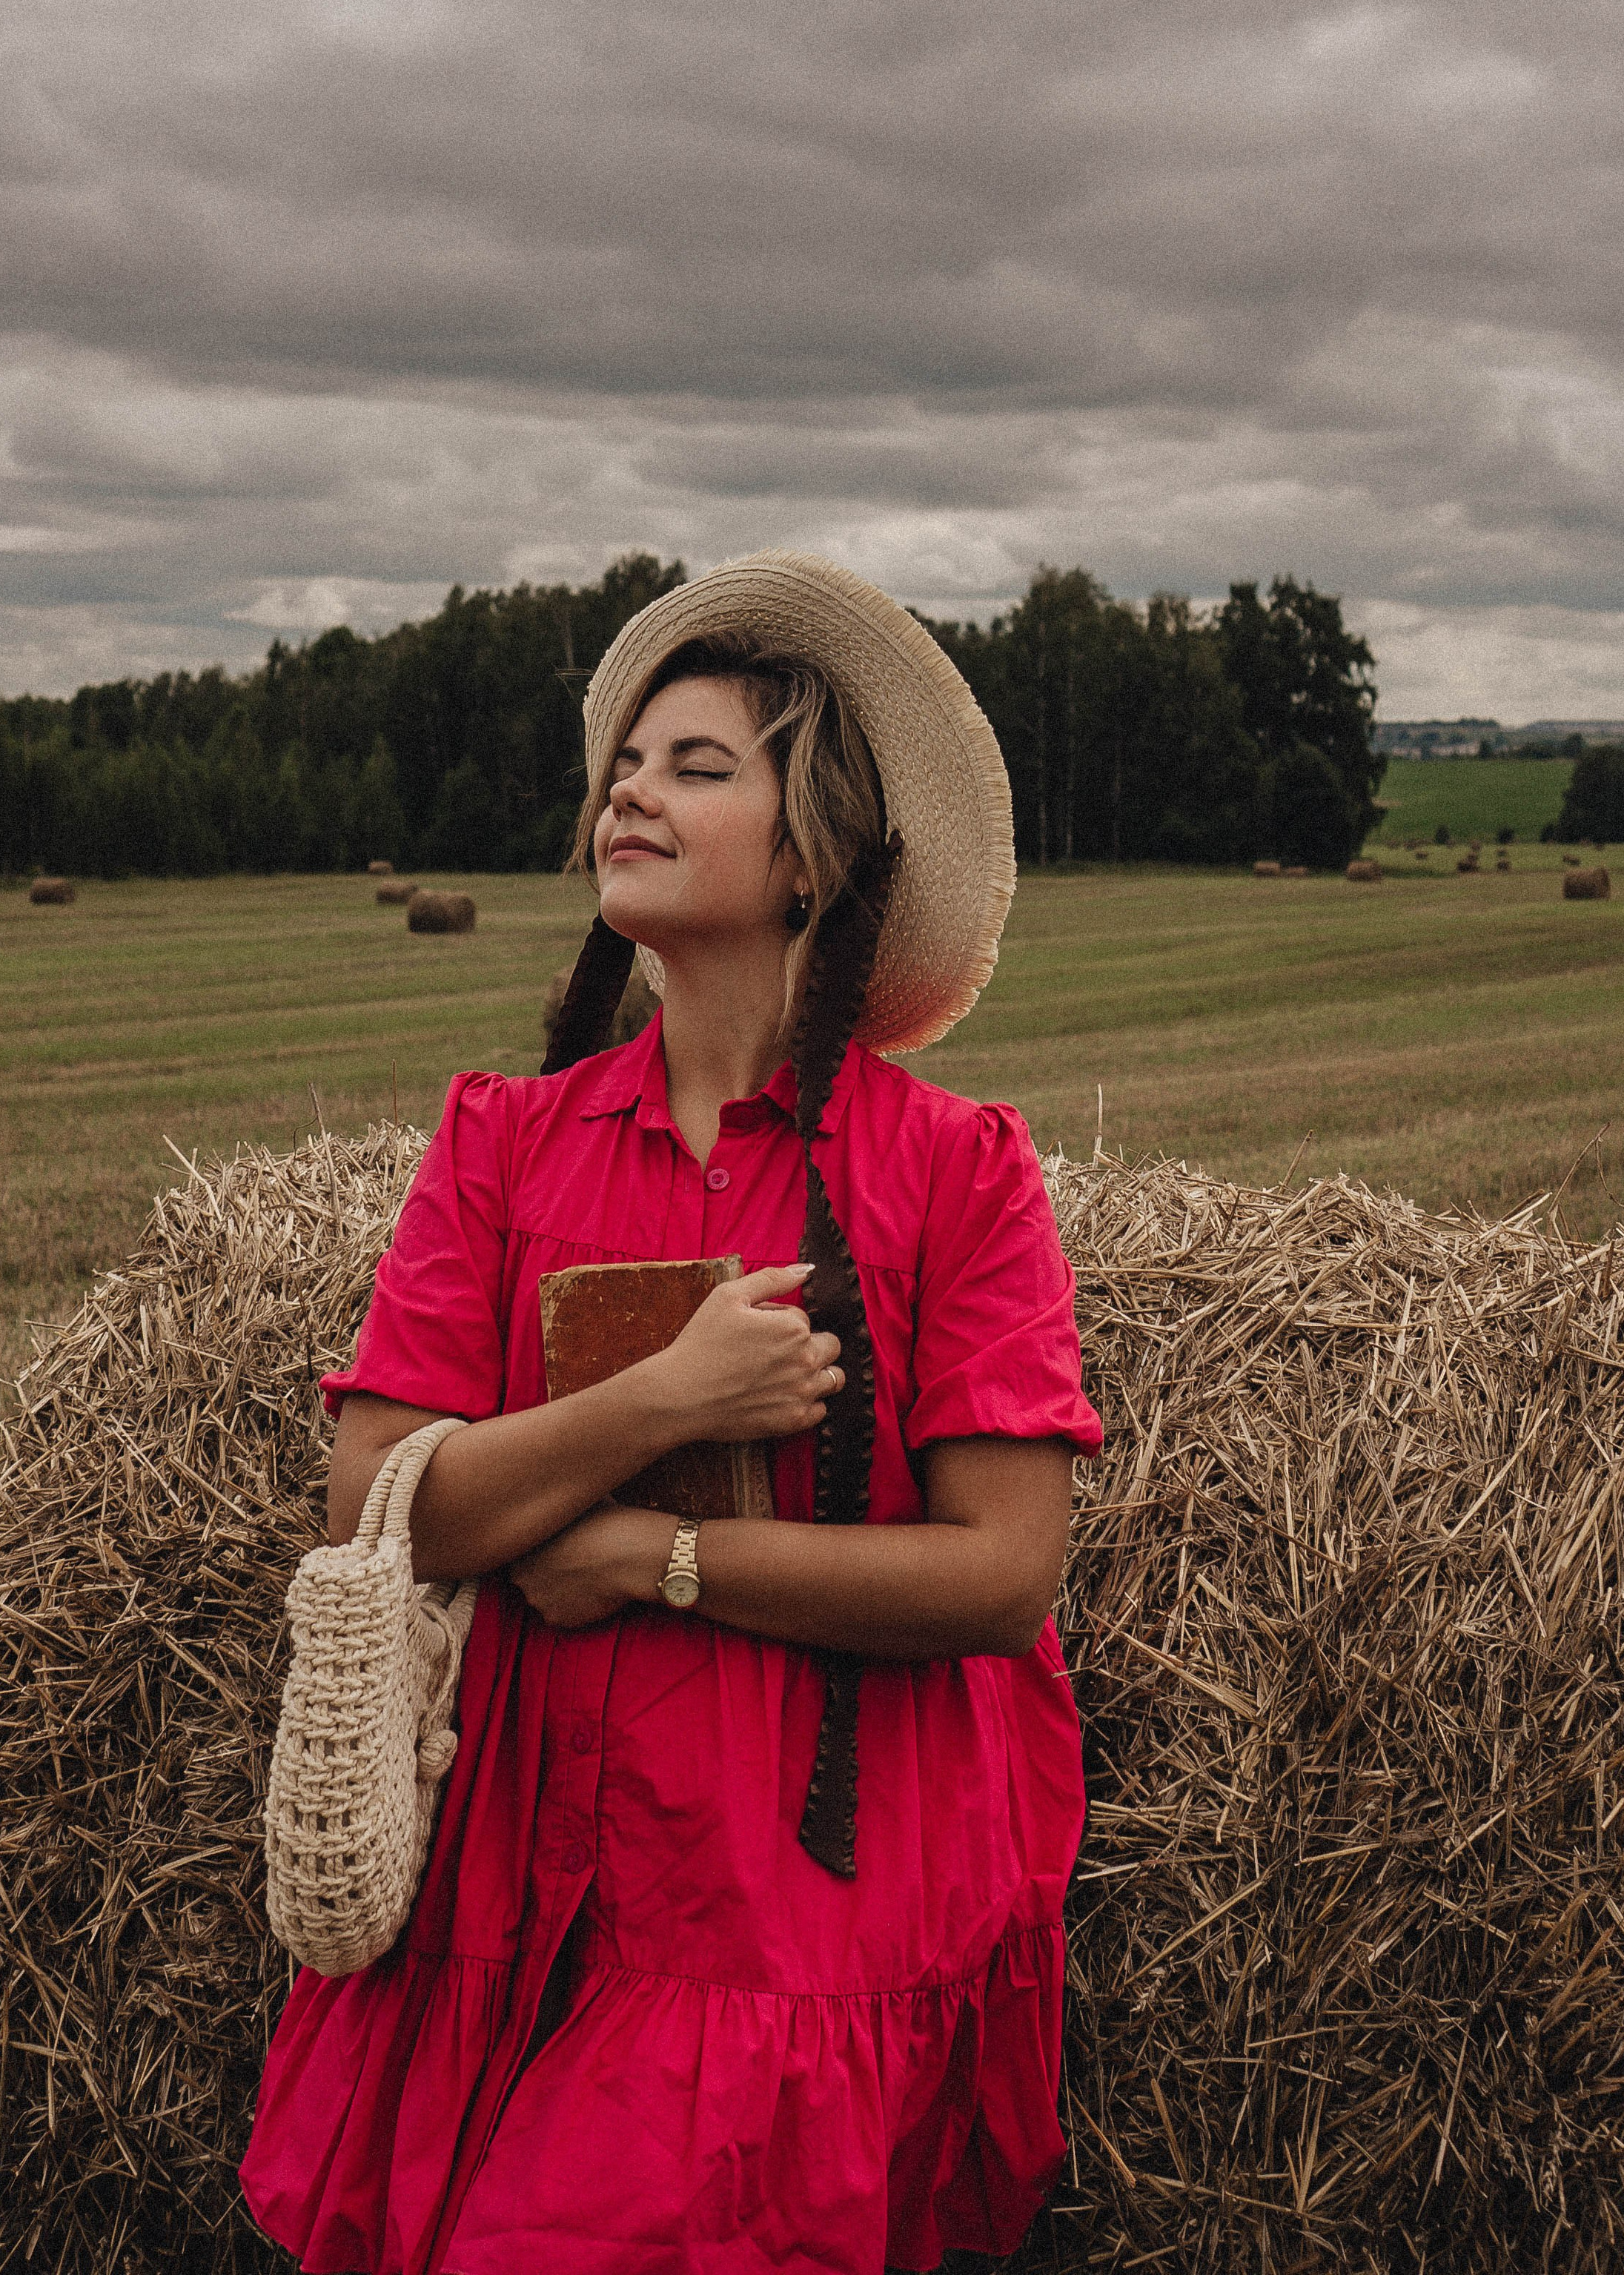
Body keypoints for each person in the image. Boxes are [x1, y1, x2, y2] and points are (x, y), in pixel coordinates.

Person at [242, 551, 1103, 2275]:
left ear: (811, 857)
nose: (628, 791)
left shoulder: (952, 1171)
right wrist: (665, 1397)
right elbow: (378, 1501)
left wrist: (653, 1559)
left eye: (695, 767)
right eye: (624, 766)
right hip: (513, 1853)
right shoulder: (505, 1143)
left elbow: (1002, 1574)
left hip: (790, 1886)